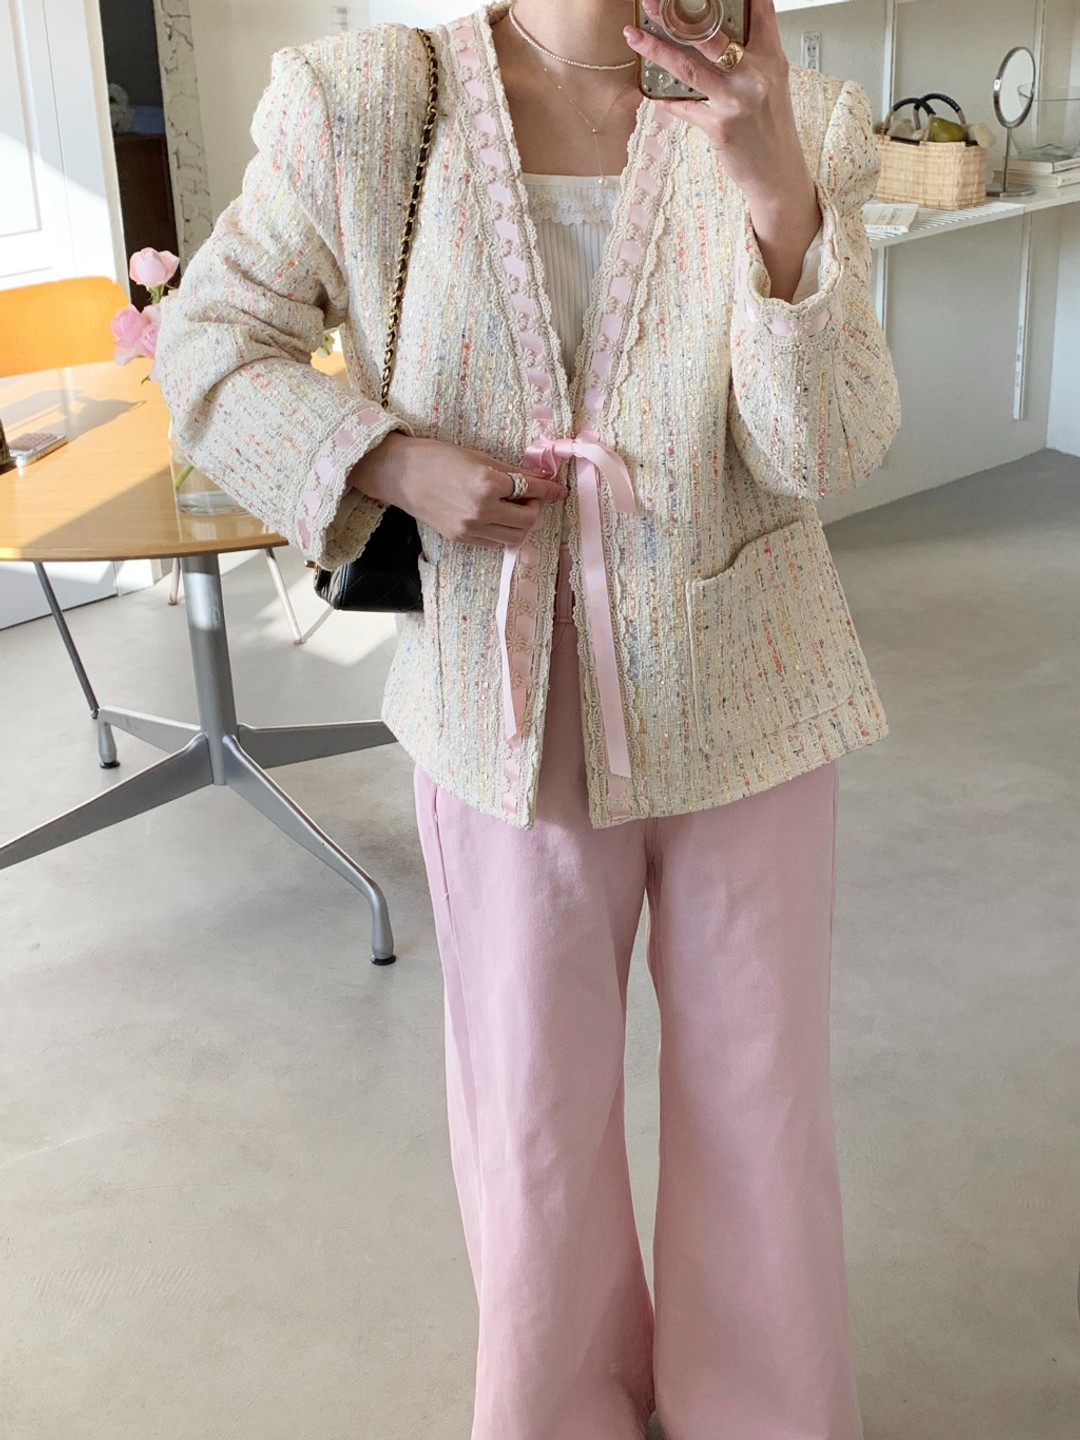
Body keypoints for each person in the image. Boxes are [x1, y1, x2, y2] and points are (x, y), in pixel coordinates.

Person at [157, 1, 901, 1435]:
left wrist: (771, 188)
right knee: (532, 1113)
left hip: (747, 685)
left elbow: (831, 445)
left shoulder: (801, 112)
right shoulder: (369, 103)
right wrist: (387, 459)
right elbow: (207, 348)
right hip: (494, 708)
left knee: (760, 1097)